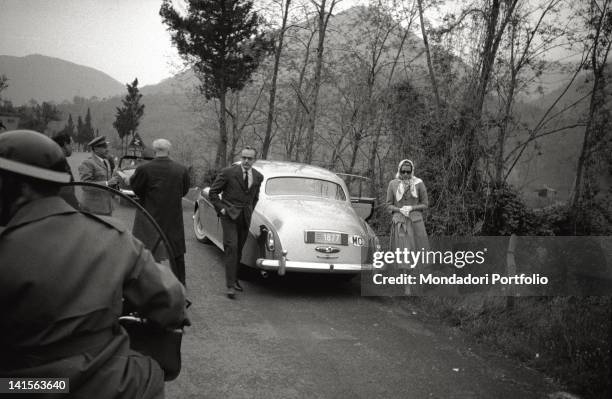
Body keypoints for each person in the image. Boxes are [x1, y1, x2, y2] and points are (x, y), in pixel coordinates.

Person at [0, 130, 187, 398]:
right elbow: (170, 299)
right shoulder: (113, 236)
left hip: (16, 386)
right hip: (105, 382)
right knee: (148, 373)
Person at [130, 139, 191, 286]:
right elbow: (184, 191)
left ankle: (147, 282)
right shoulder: (181, 169)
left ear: (154, 150)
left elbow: (136, 189)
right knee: (176, 252)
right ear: (169, 151)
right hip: (173, 216)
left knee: (148, 249)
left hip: (150, 216)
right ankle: (180, 283)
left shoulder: (144, 169)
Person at [209, 146, 263, 299]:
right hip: (229, 216)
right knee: (231, 247)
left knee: (239, 249)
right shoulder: (228, 173)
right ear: (241, 157)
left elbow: (255, 197)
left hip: (245, 217)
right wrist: (222, 210)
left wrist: (250, 211)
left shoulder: (258, 177)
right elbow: (213, 192)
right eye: (244, 157)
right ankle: (230, 286)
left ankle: (235, 279)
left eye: (249, 158)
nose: (246, 161)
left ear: (254, 160)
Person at [385, 159, 429, 293]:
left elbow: (425, 204)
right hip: (400, 223)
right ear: (399, 171)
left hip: (416, 222)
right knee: (404, 253)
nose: (405, 174)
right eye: (402, 171)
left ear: (412, 171)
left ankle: (418, 282)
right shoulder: (393, 184)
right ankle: (407, 286)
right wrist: (399, 210)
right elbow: (388, 205)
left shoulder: (419, 184)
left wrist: (412, 207)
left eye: (408, 172)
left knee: (418, 253)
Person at [78, 135, 119, 215]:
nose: (107, 149)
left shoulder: (106, 162)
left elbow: (109, 181)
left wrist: (114, 181)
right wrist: (107, 183)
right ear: (96, 149)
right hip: (92, 208)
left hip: (106, 206)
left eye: (106, 146)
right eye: (104, 147)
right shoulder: (87, 163)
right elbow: (85, 186)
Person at [52, 132, 79, 209]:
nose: (73, 147)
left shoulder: (59, 160)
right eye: (71, 144)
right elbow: (66, 193)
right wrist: (77, 207)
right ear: (65, 144)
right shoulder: (58, 163)